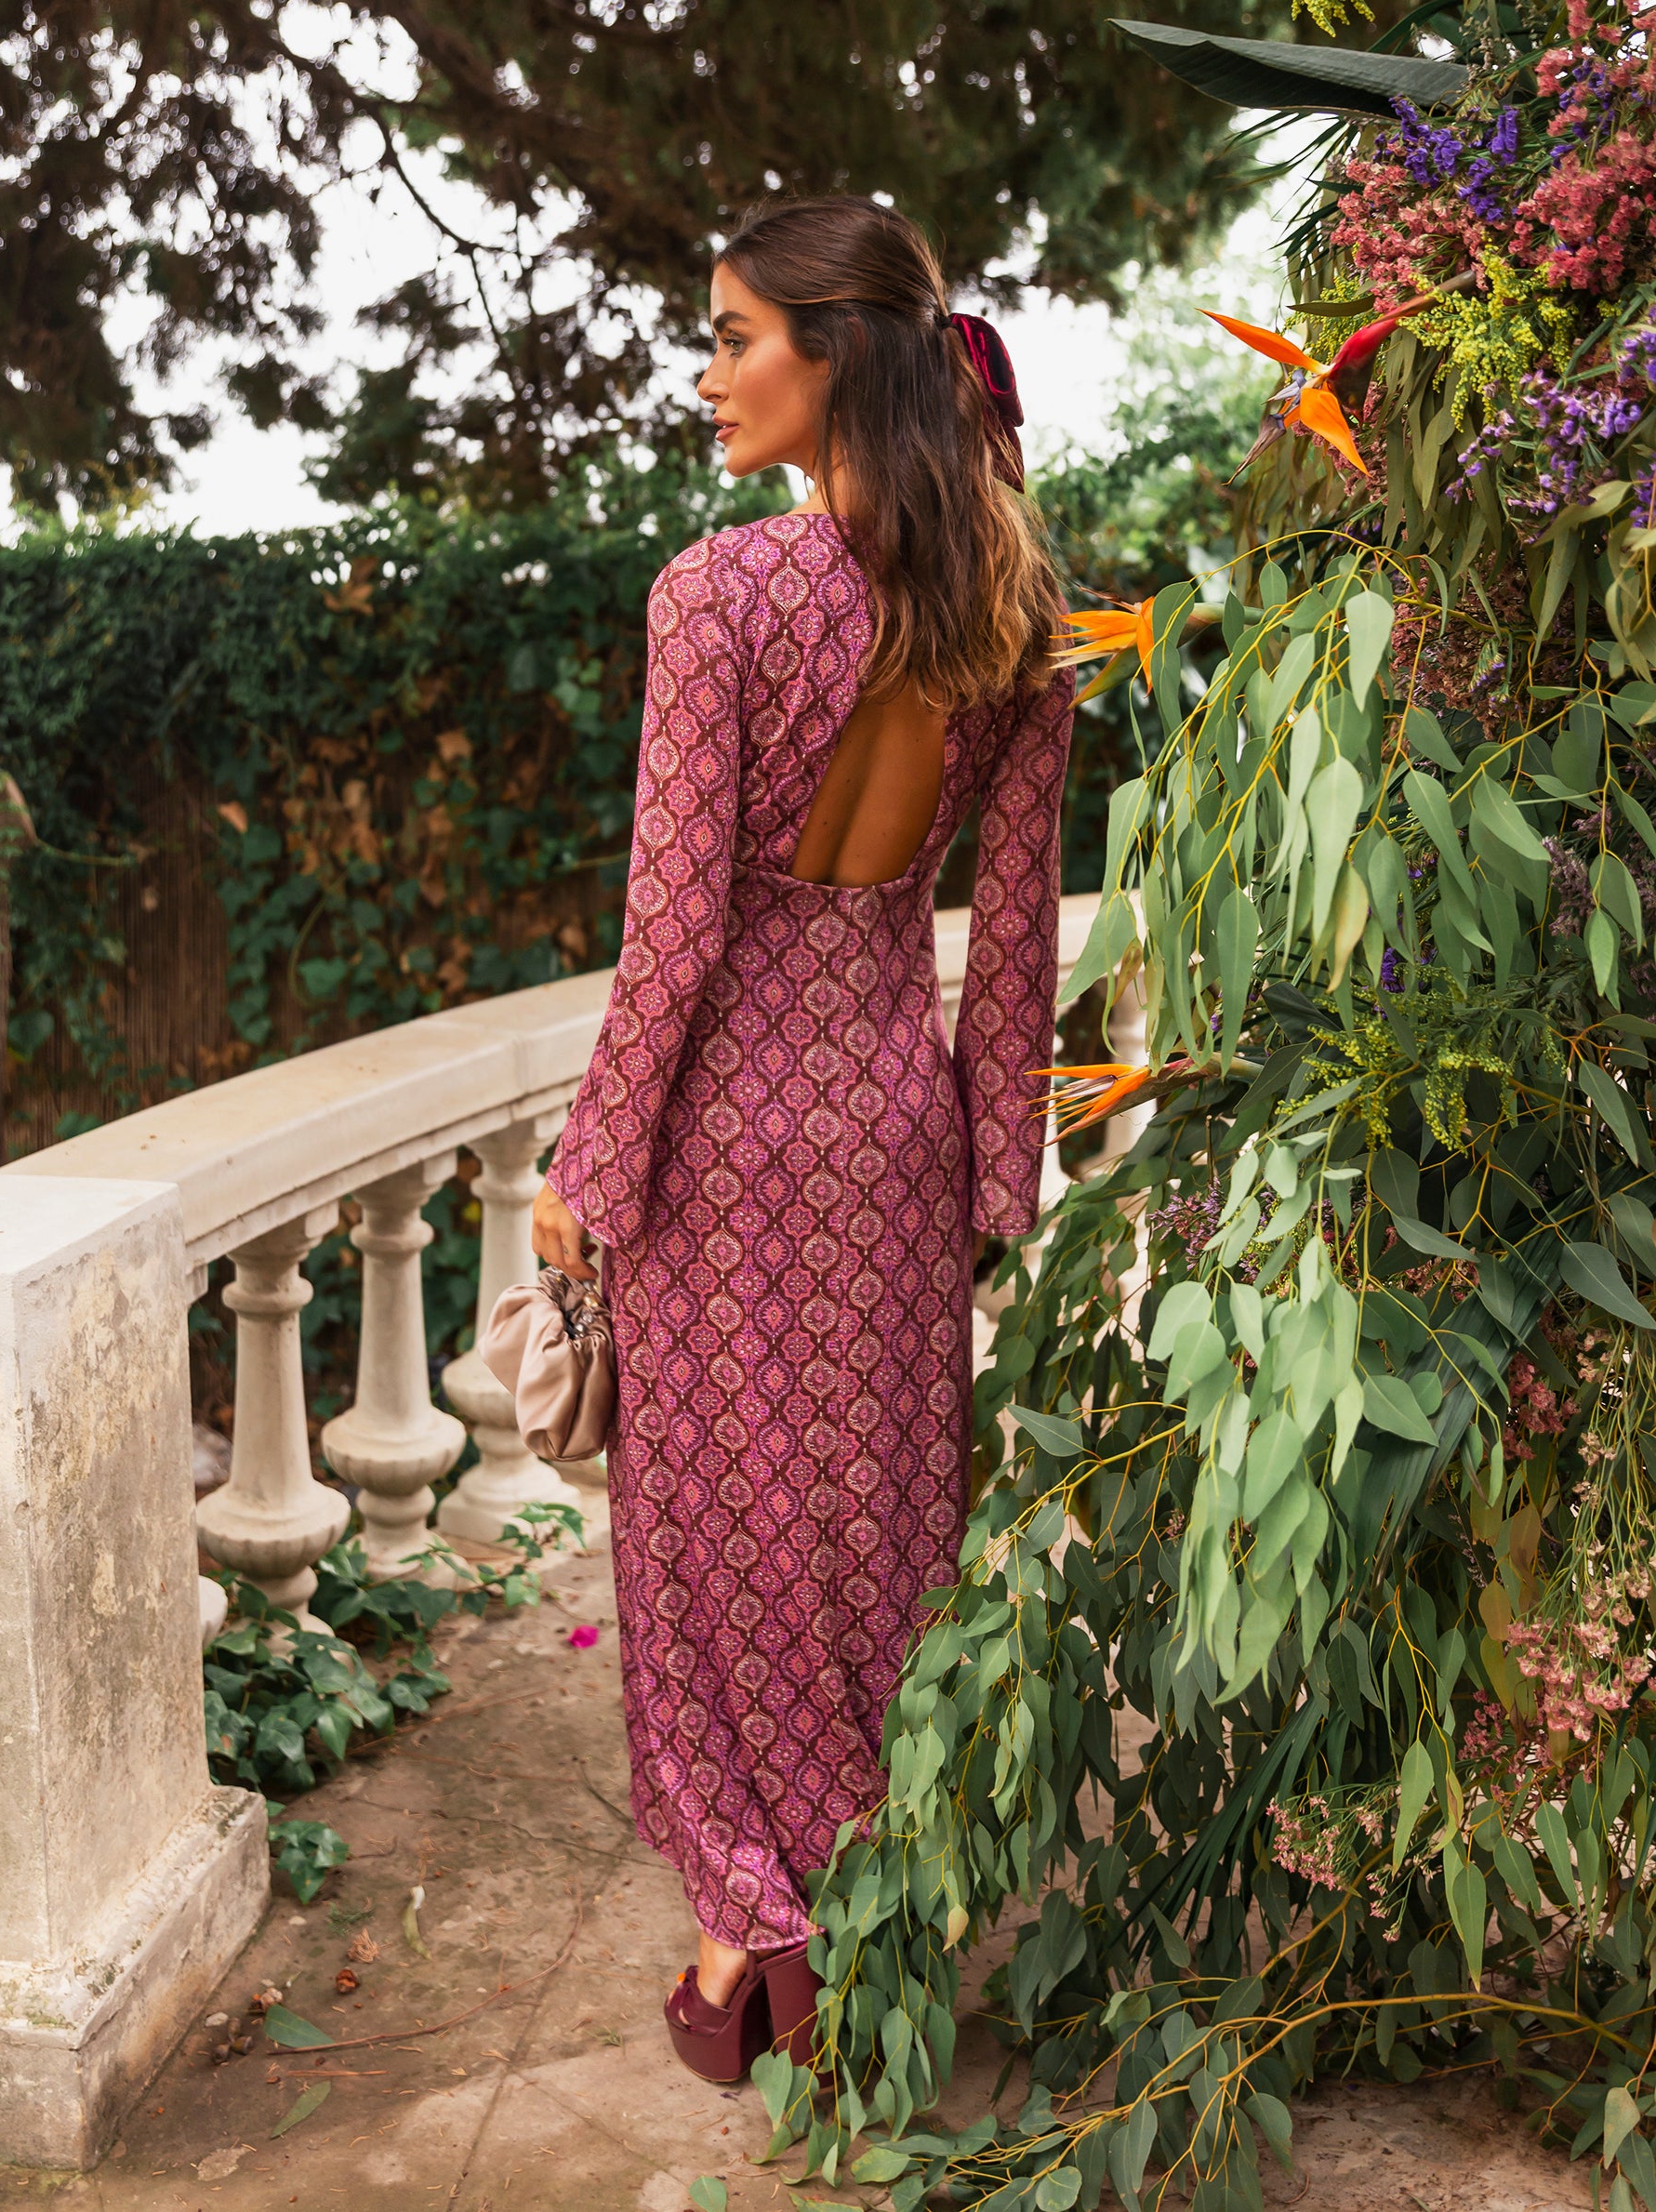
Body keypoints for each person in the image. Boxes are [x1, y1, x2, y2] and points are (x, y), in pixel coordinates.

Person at [531, 194, 1075, 2083]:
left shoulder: (721, 595)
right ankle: (865, 1918)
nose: (706, 375)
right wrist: (996, 1182)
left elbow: (674, 935)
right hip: (889, 1135)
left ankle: (744, 1940)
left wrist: (592, 1168)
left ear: (833, 354)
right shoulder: (1014, 609)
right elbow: (1017, 948)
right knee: (876, 1529)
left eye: (733, 336)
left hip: (723, 1143)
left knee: (712, 1539)